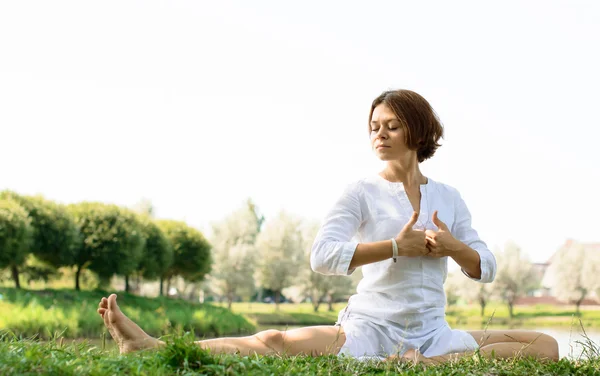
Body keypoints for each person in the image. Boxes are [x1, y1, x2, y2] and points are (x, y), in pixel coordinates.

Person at [97, 89, 559, 364]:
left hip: (433, 330)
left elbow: (487, 267)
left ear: (417, 133)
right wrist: (395, 248)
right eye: (374, 125)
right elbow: (321, 256)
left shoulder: (449, 198)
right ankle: (149, 346)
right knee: (276, 339)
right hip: (369, 327)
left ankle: (426, 364)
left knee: (545, 346)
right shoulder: (359, 192)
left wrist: (456, 247)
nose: (379, 133)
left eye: (392, 126)